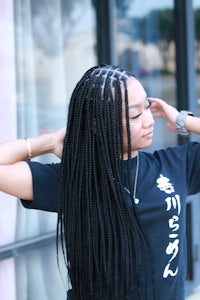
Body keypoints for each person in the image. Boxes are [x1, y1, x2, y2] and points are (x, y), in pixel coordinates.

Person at [0, 64, 200, 300]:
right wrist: (49, 142)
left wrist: (182, 120)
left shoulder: (174, 165)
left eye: (148, 108)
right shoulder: (76, 180)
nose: (149, 121)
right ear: (97, 123)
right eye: (136, 115)